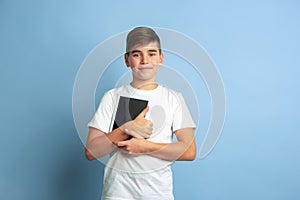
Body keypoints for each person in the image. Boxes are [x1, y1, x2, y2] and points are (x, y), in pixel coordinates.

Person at [85, 27, 196, 200]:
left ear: (161, 58)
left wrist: (145, 147)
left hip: (157, 194)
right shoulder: (112, 97)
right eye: (137, 54)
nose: (145, 60)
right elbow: (91, 152)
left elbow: (189, 151)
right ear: (127, 60)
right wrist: (125, 129)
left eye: (151, 53)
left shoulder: (173, 98)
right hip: (117, 194)